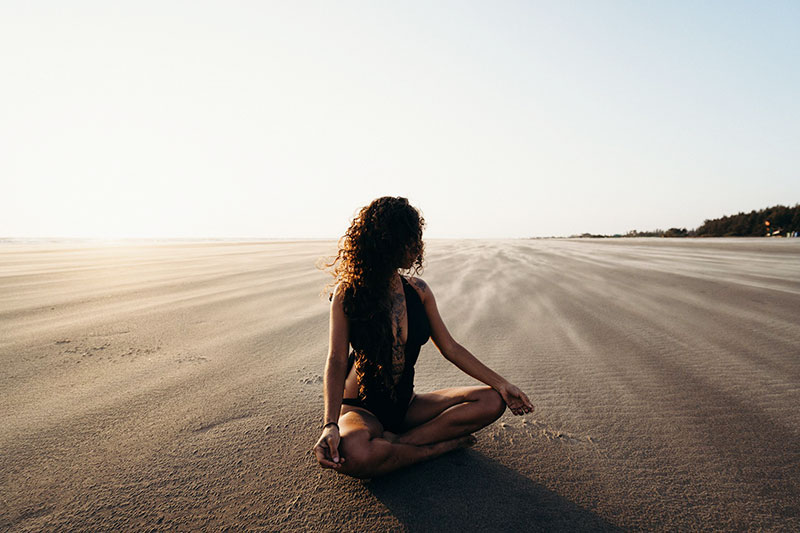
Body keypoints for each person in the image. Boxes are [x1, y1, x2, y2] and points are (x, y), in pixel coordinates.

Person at [312, 196, 534, 479]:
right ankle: (436, 449)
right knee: (353, 453)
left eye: (417, 238)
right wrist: (330, 425)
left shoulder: (419, 292)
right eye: (410, 239)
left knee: (491, 401)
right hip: (361, 409)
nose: (417, 247)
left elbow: (451, 347)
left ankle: (398, 446)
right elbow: (336, 359)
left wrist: (502, 384)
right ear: (387, 242)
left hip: (408, 406)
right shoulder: (348, 294)